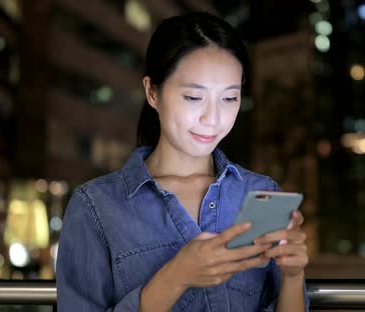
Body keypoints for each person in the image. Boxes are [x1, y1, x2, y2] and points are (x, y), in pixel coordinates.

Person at [56, 12, 309, 311]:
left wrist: (293, 276)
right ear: (152, 92)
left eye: (229, 98)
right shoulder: (96, 207)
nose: (213, 119)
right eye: (193, 97)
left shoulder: (260, 193)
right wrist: (176, 277)